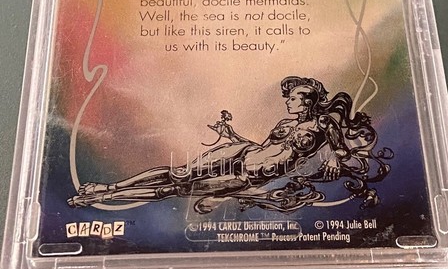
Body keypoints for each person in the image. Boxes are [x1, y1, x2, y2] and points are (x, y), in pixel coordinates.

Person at [67, 76, 386, 209]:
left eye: (294, 97)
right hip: (243, 152)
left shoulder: (324, 124)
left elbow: (346, 154)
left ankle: (104, 196)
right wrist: (232, 136)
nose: (288, 101)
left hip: (249, 177)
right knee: (179, 173)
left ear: (309, 100)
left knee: (174, 190)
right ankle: (109, 187)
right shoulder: (286, 123)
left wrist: (332, 157)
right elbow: (265, 147)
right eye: (288, 97)